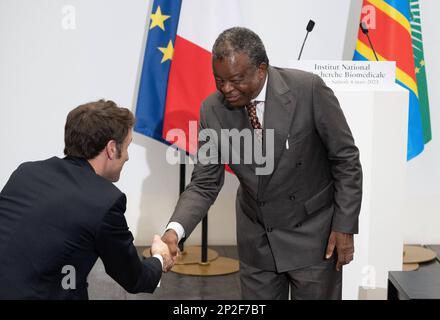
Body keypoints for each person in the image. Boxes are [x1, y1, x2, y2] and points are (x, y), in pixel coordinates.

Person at [161, 27, 362, 300]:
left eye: (236, 79)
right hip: (257, 240)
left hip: (314, 237)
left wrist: (345, 225)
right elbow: (205, 183)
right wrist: (174, 231)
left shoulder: (308, 90)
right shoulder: (212, 109)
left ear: (261, 69)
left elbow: (345, 159)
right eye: (219, 80)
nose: (226, 89)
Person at [0, 100, 172, 299]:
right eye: (126, 147)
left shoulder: (26, 172)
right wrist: (160, 257)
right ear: (111, 149)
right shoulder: (104, 201)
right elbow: (135, 278)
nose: (127, 157)